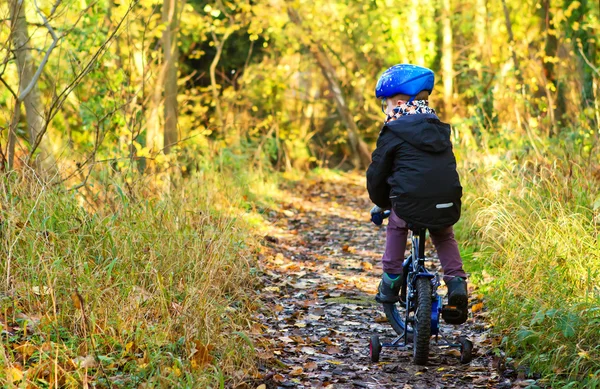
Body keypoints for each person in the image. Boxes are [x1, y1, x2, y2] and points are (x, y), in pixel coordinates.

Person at [366, 64, 468, 324]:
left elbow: (377, 173)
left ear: (399, 102)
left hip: (410, 202)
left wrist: (381, 202)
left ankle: (390, 280)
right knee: (444, 234)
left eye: (385, 105)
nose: (385, 111)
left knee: (398, 225)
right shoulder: (440, 128)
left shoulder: (393, 130)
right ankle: (457, 283)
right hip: (447, 200)